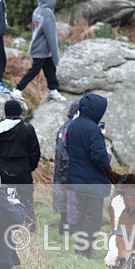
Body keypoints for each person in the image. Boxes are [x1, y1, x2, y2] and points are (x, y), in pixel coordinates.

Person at [67, 93, 110, 258]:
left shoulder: (73, 125)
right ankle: (86, 251)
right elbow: (99, 157)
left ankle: (80, 248)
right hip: (93, 182)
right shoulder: (93, 130)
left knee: (82, 214)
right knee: (93, 217)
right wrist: (108, 170)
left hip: (77, 179)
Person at [0, 99, 41, 231]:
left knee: (7, 199)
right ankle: (30, 228)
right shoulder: (27, 128)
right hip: (23, 171)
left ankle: (9, 228)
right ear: (19, 111)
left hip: (5, 171)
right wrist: (30, 167)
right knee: (27, 199)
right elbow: (35, 151)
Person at [11, 0, 66, 103]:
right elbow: (52, 37)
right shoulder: (48, 13)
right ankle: (18, 89)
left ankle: (53, 90)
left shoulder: (37, 10)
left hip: (37, 47)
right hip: (41, 50)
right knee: (34, 71)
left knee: (50, 69)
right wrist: (56, 57)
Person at [53, 100, 80, 233]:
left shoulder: (63, 127)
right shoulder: (74, 128)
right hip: (70, 171)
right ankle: (70, 229)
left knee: (63, 201)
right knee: (72, 201)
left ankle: (63, 227)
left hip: (60, 170)